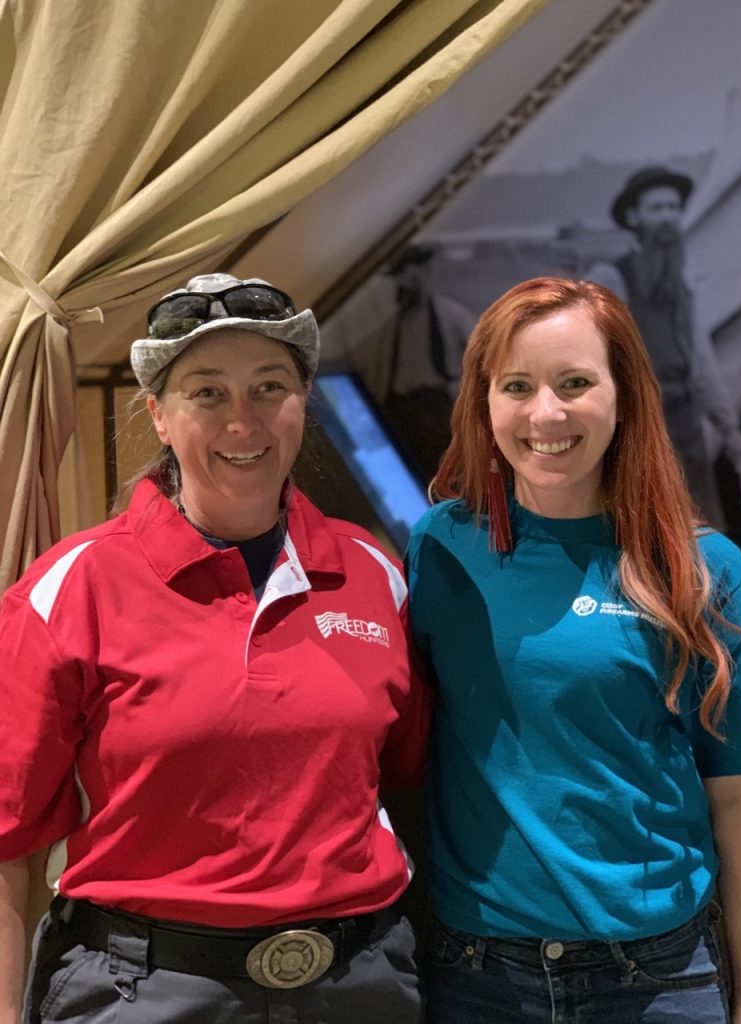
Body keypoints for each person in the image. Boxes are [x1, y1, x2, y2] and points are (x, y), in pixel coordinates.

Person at [0, 273, 430, 1024]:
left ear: (303, 402)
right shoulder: (74, 587)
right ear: (159, 415)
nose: (243, 421)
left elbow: (404, 781)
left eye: (270, 387)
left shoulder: (374, 574)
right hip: (144, 992)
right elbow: (6, 845)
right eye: (206, 392)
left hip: (362, 985)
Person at [406, 276, 741, 1023]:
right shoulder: (441, 546)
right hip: (477, 973)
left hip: (659, 976)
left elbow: (738, 796)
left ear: (623, 394)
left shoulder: (704, 568)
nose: (546, 413)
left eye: (575, 383)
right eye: (517, 386)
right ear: (484, 402)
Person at [587, 165, 741, 532]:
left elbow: (700, 359)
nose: (668, 217)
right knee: (663, 525)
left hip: (686, 417)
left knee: (705, 520)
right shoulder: (612, 277)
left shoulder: (681, 284)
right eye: (656, 208)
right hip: (641, 420)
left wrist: (728, 429)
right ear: (634, 217)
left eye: (674, 207)